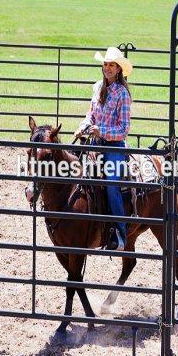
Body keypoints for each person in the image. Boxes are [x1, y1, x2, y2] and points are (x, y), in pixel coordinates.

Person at [74, 47, 132, 251]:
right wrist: (83, 126)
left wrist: (102, 131)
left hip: (114, 146)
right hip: (95, 144)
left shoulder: (122, 94)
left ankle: (120, 233)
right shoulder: (97, 87)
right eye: (105, 64)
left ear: (118, 70)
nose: (107, 68)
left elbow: (124, 130)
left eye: (111, 65)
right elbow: (90, 114)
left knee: (111, 184)